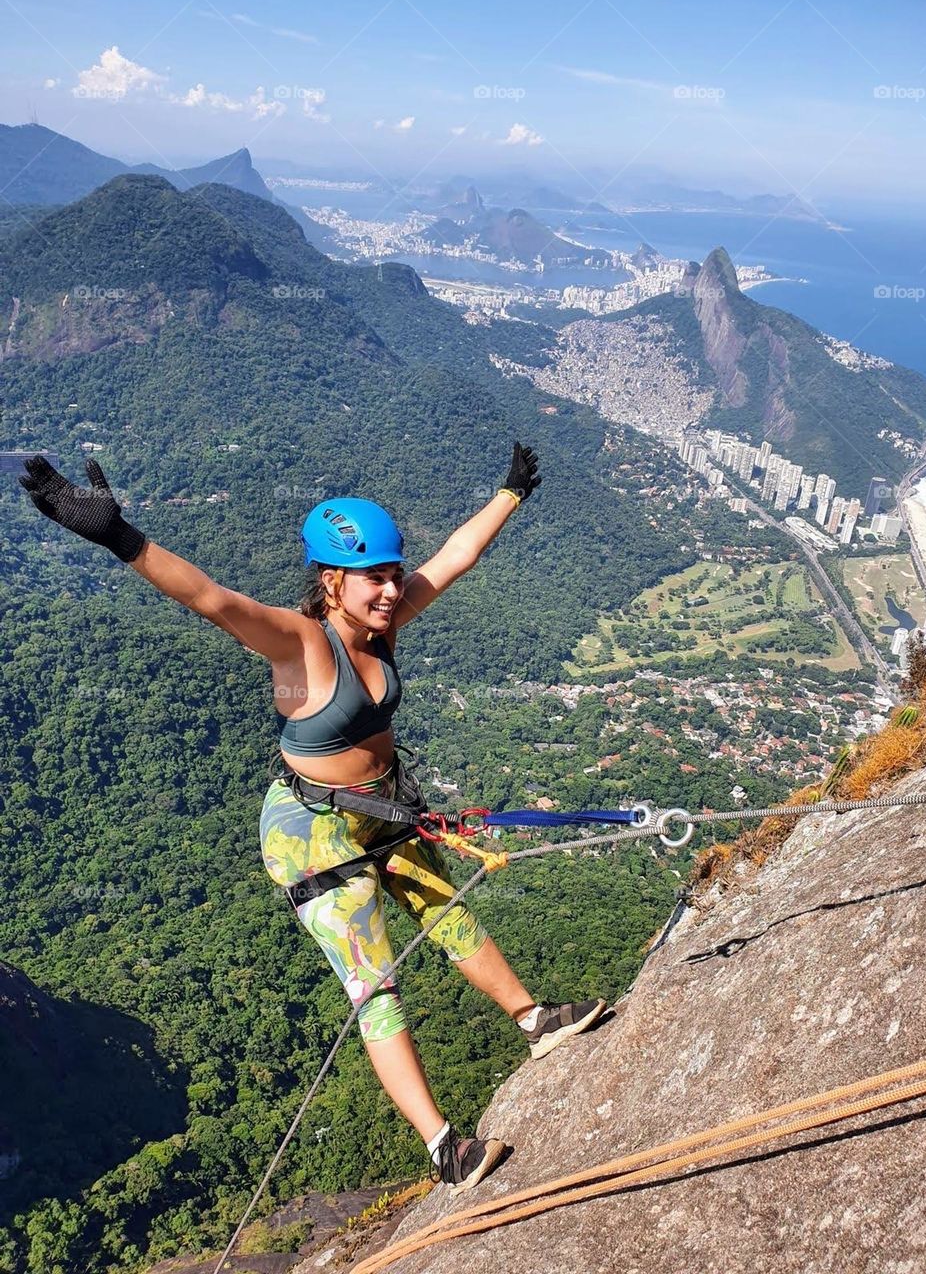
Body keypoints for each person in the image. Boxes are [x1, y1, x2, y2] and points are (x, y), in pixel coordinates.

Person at [19, 442, 606, 1195]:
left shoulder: (383, 625)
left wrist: (510, 493)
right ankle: (444, 1148)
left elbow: (455, 559)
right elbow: (210, 599)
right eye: (374, 578)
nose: (392, 590)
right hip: (310, 834)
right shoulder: (301, 642)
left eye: (393, 575)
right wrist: (118, 537)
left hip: (383, 807)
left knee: (448, 913)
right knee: (375, 982)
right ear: (332, 581)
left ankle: (533, 1023)